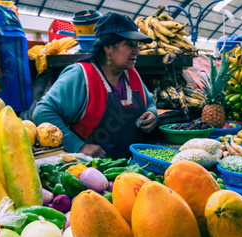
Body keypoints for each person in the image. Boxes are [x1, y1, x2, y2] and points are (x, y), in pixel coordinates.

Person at [33, 12, 158, 159]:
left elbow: (149, 100)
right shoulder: (81, 76)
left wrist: (152, 112)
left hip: (132, 166)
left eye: (137, 46)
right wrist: (78, 146)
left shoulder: (131, 74)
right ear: (108, 47)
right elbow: (42, 113)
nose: (137, 51)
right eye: (130, 45)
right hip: (92, 171)